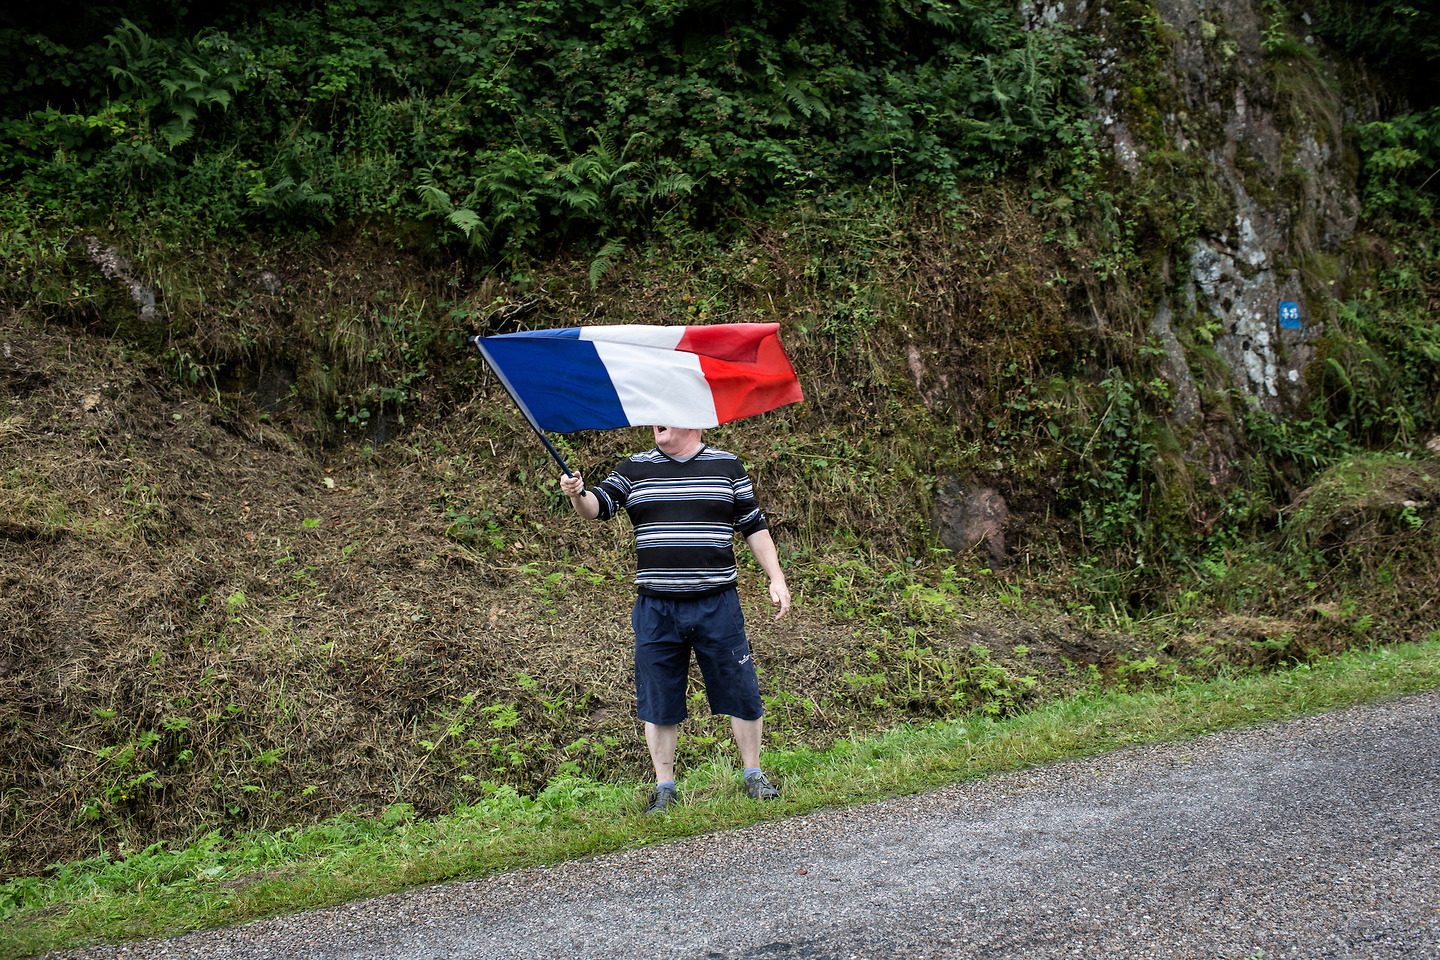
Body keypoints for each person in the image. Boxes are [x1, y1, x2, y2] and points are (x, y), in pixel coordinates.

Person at [558, 424, 791, 814]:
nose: (656, 421)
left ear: (691, 420)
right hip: (656, 609)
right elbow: (596, 507)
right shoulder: (634, 468)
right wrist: (577, 493)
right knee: (658, 698)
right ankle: (664, 787)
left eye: (665, 412)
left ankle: (753, 774)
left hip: (717, 604)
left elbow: (754, 526)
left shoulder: (727, 466)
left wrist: (776, 577)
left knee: (741, 689)